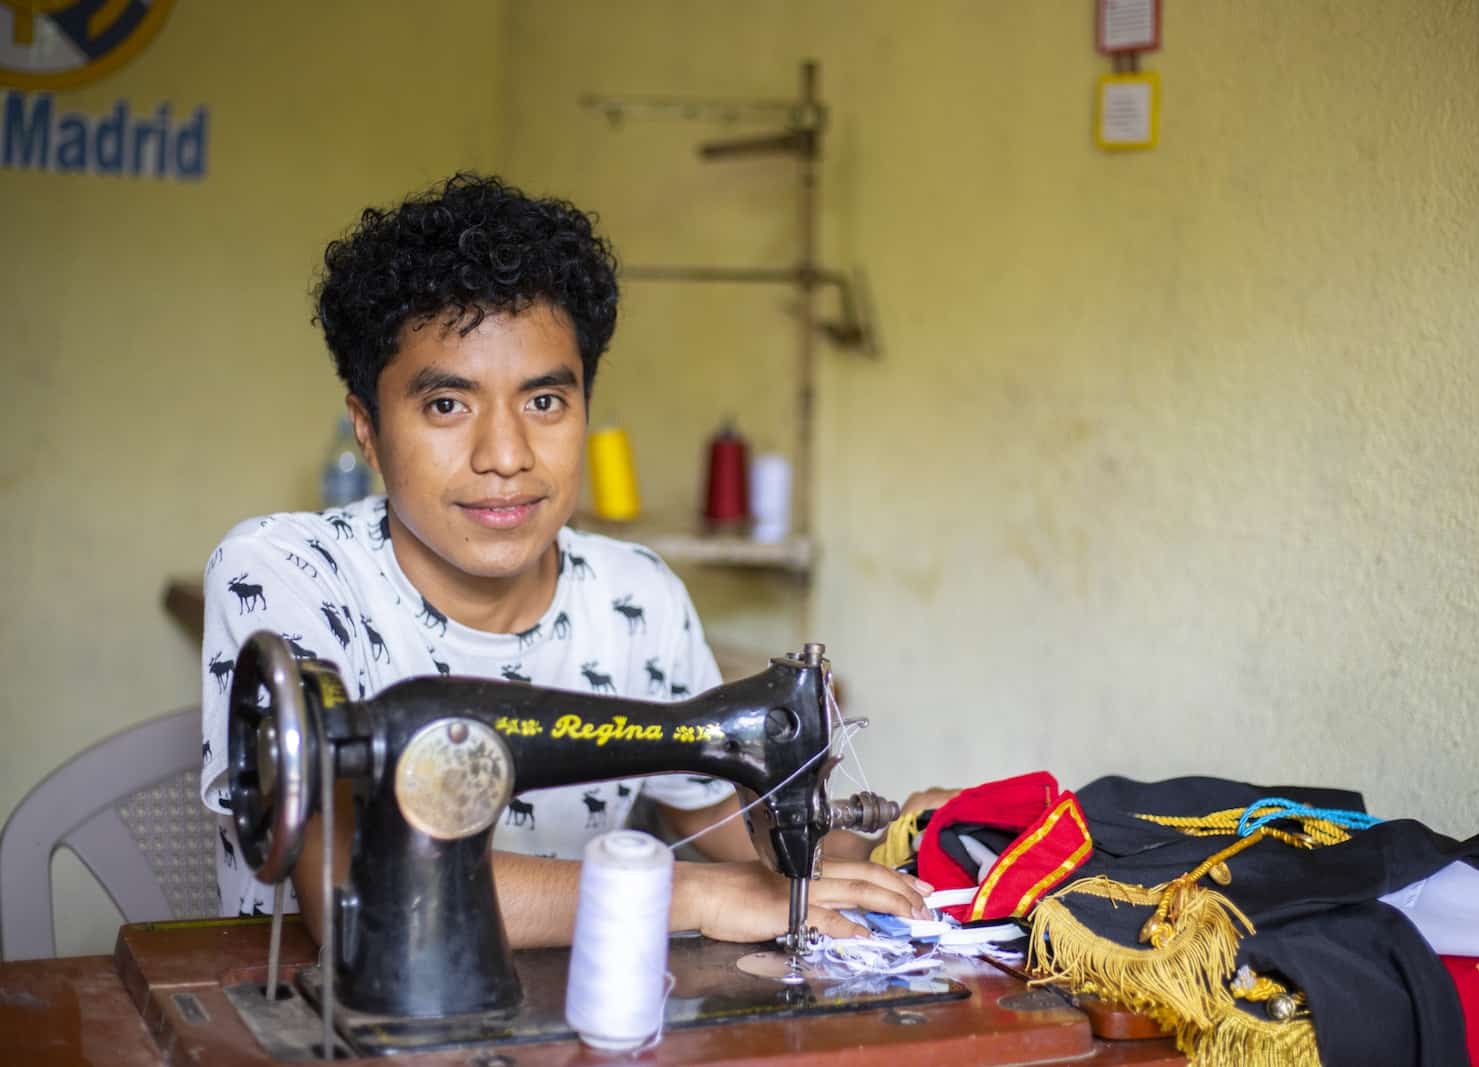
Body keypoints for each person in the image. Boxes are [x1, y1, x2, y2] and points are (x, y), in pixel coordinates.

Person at [199, 173, 938, 946]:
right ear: (367, 428)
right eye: (447, 405)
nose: (507, 455)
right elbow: (357, 884)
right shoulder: (286, 576)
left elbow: (727, 820)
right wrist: (690, 896)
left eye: (545, 402)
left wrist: (913, 842)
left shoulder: (636, 596)